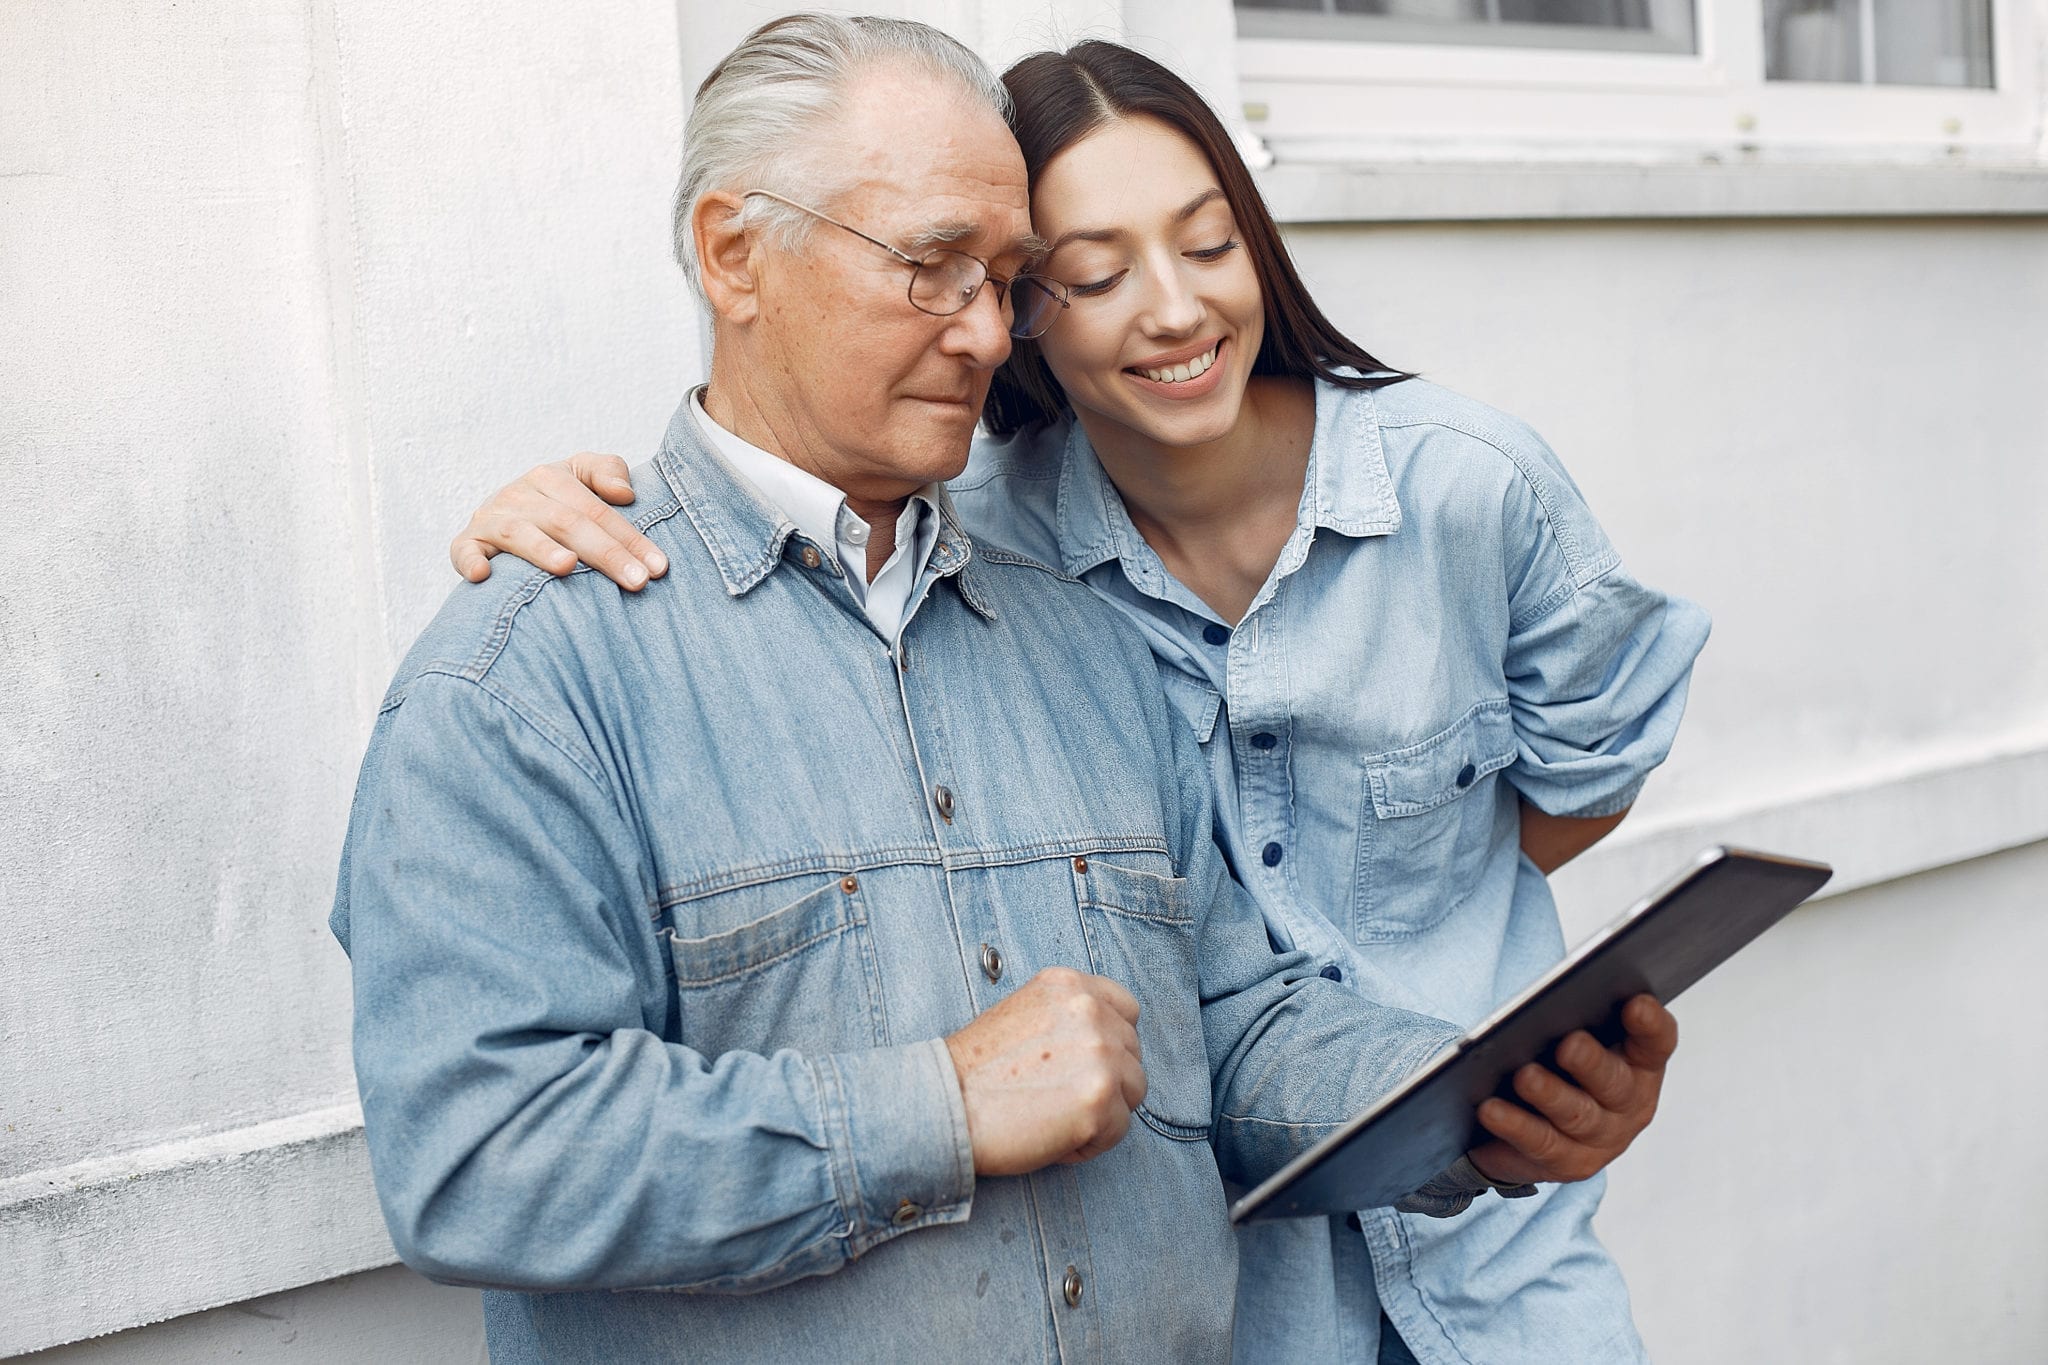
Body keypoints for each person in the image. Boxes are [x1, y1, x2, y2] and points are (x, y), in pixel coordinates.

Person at [339, 13, 1682, 1363]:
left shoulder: (1076, 632)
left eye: (1009, 276)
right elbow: (479, 1154)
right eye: (933, 267)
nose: (988, 334)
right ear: (733, 253)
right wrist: (946, 1106)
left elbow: (1227, 1018)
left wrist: (1475, 1099)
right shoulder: (526, 679)